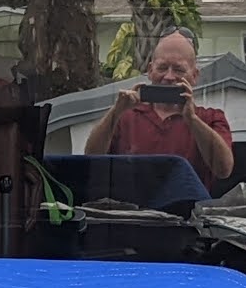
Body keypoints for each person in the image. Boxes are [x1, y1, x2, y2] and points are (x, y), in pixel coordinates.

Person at [82, 30, 235, 193]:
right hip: (133, 214)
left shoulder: (210, 118)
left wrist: (192, 120)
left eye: (179, 70)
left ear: (194, 75)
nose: (169, 77)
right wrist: (116, 111)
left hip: (186, 214)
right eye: (162, 68)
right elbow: (92, 158)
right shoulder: (125, 116)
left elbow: (223, 170)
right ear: (150, 71)